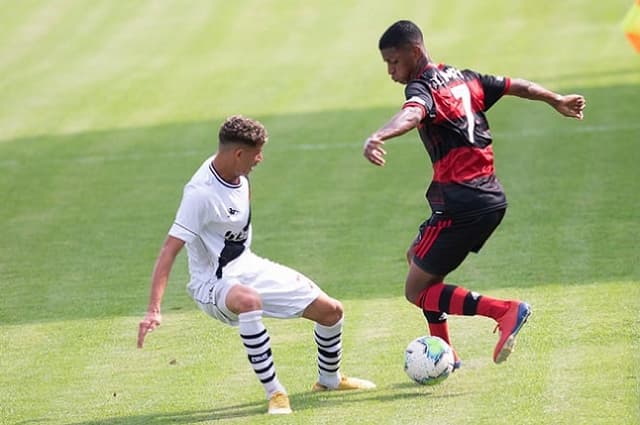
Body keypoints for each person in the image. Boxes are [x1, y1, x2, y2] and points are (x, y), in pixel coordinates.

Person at [363, 20, 586, 367]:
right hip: (489, 199)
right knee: (417, 260)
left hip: (460, 204)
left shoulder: (422, 90)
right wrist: (554, 99)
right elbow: (516, 85)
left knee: (416, 291)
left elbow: (412, 114)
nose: (391, 71)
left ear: (415, 52)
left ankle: (505, 311)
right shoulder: (463, 78)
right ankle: (447, 352)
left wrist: (379, 135)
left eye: (393, 62)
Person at [138, 115, 375, 415]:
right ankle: (275, 393)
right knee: (249, 301)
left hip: (246, 266)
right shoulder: (200, 194)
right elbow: (168, 251)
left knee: (332, 311)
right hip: (211, 283)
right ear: (238, 154)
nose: (260, 159)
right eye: (256, 153)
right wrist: (153, 310)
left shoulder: (239, 176)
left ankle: (329, 380)